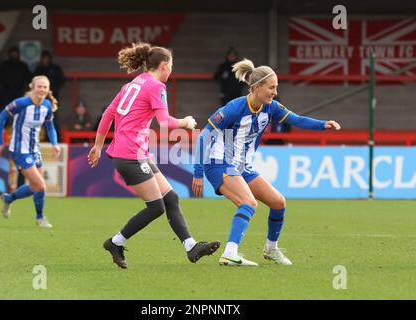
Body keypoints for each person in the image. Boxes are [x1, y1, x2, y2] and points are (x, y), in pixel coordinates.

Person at [192, 59, 341, 266]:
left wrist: (323, 125)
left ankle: (271, 250)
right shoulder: (234, 107)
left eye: (276, 87)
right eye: (271, 87)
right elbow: (203, 137)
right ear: (257, 87)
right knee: (248, 203)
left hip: (243, 167)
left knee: (278, 202)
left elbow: (296, 119)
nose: (274, 91)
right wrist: (198, 172)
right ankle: (230, 253)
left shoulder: (271, 108)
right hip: (218, 163)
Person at [88, 42, 220, 269]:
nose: (171, 71)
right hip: (131, 155)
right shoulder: (156, 86)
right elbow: (166, 123)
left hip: (133, 153)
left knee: (171, 199)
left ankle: (191, 247)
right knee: (156, 207)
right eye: (172, 66)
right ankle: (115, 242)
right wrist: (186, 122)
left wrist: (98, 146)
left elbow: (109, 113)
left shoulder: (132, 84)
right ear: (165, 65)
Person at [0, 75, 61, 228]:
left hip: (35, 149)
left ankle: (8, 199)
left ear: (48, 89)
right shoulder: (21, 103)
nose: (42, 89)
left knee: (34, 187)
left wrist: (54, 144)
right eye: (39, 86)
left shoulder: (47, 105)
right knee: (41, 186)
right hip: (19, 149)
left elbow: (50, 127)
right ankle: (40, 218)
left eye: (45, 87)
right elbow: (1, 117)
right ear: (32, 87)